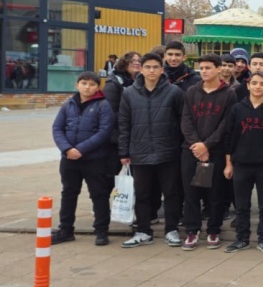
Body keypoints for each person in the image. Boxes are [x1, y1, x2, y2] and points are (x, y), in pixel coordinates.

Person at [118, 53, 185, 248]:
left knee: (171, 193)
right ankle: (143, 231)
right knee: (143, 193)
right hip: (139, 152)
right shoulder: (129, 93)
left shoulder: (174, 92)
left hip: (168, 151)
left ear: (162, 69)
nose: (152, 71)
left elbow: (183, 122)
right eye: (148, 67)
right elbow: (123, 124)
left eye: (156, 67)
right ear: (141, 69)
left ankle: (171, 230)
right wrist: (124, 152)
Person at [222, 71, 263, 254]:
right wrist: (229, 163)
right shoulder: (237, 109)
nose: (258, 86)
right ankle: (241, 238)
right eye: (254, 83)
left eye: (262, 84)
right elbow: (229, 137)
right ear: (248, 85)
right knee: (242, 206)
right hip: (240, 164)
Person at [179, 54, 238, 251]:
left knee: (215, 195)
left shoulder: (229, 94)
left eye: (208, 68)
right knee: (191, 193)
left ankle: (214, 230)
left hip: (216, 151)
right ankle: (192, 231)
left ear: (219, 69)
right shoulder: (191, 92)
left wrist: (208, 145)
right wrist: (197, 145)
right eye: (201, 68)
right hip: (192, 151)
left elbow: (226, 124)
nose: (204, 71)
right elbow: (185, 120)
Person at [51, 72, 116, 245]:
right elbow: (57, 128)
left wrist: (80, 149)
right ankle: (65, 229)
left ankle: (101, 231)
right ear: (77, 85)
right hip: (69, 159)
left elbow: (104, 132)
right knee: (69, 193)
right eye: (84, 83)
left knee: (99, 195)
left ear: (98, 87)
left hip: (94, 159)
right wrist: (67, 149)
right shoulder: (68, 105)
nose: (87, 87)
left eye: (92, 84)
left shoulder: (103, 106)